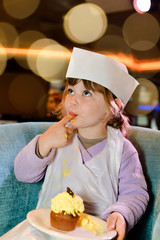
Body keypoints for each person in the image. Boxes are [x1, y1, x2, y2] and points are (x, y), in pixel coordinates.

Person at [4, 48, 149, 240]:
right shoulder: (55, 137)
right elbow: (22, 174)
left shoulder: (123, 150)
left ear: (112, 107)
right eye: (70, 90)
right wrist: (44, 143)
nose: (72, 99)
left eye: (86, 93)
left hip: (95, 234)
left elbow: (135, 193)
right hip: (44, 231)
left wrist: (121, 214)